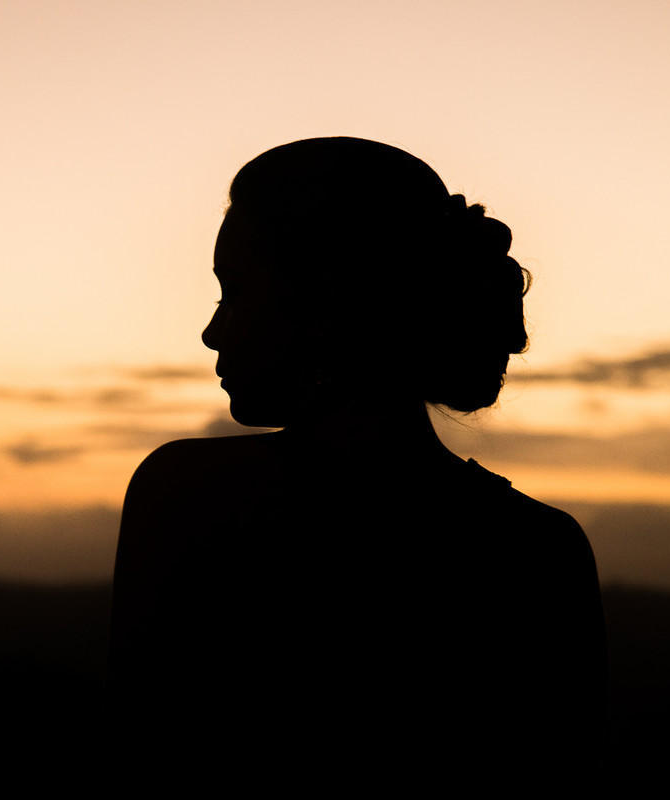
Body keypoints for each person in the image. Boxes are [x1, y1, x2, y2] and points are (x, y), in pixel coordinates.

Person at [107, 137, 607, 793]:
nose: (212, 331)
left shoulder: (191, 497)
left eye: (233, 293)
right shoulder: (543, 549)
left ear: (319, 303)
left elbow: (146, 764)